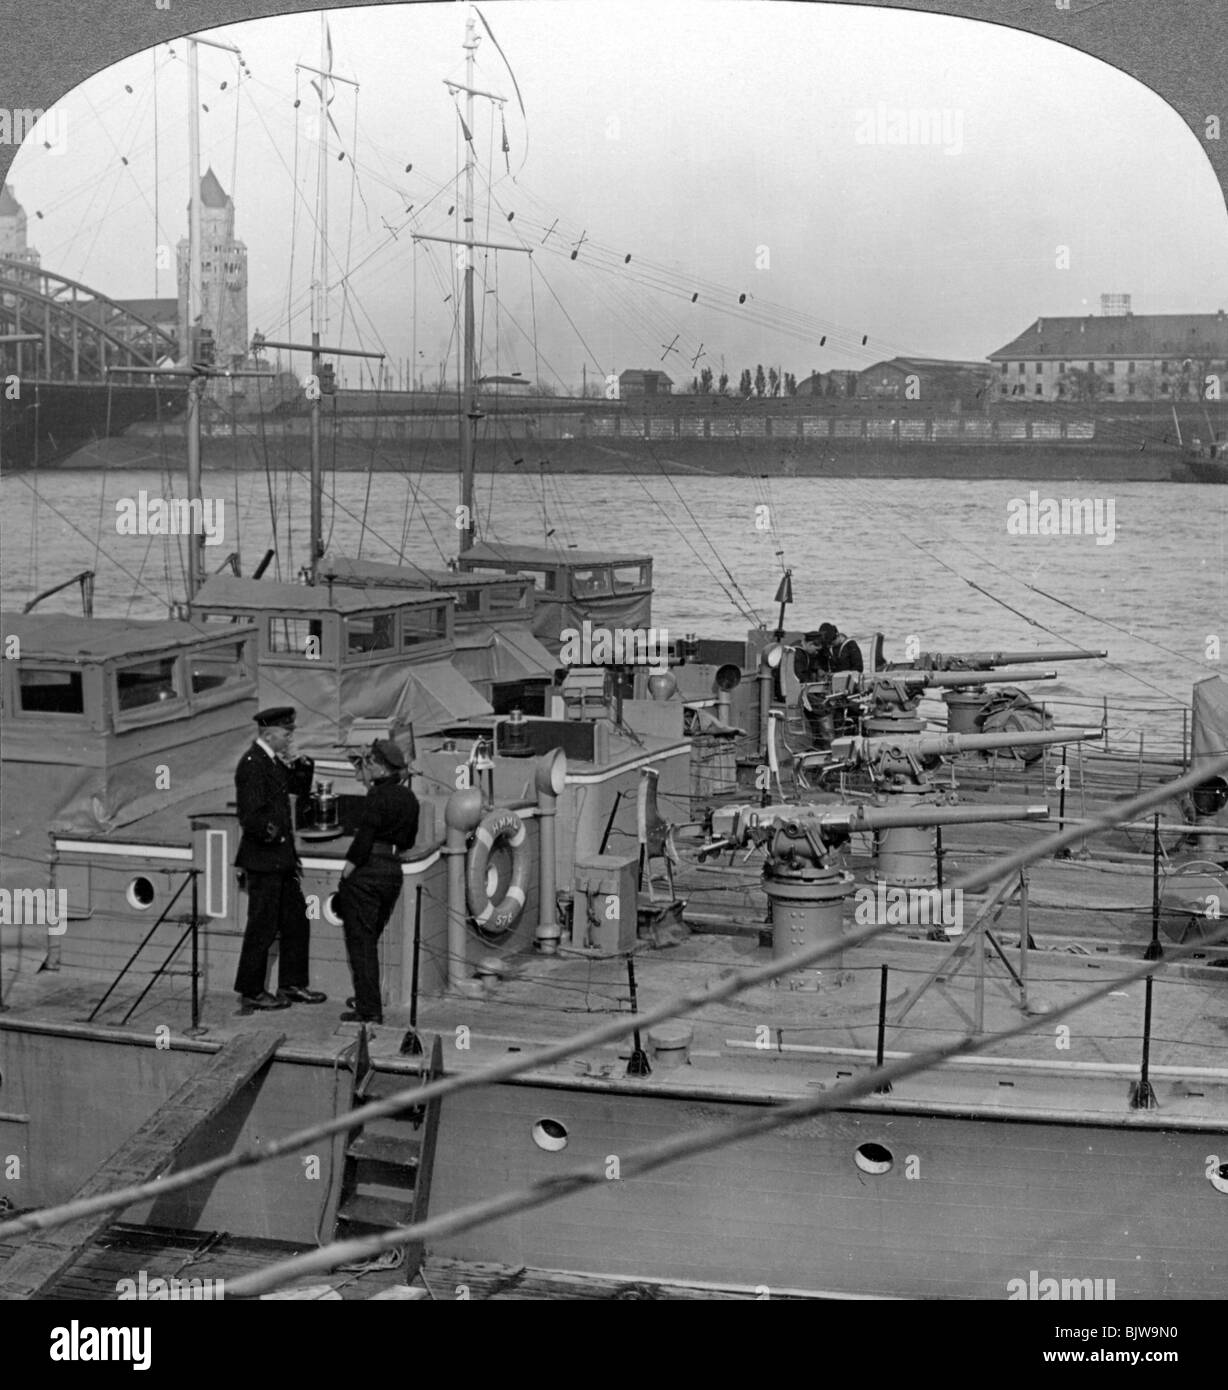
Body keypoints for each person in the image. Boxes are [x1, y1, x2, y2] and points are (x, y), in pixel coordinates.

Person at [233, 706, 328, 1012]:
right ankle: (251, 990)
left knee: (296, 920)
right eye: (286, 734)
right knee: (261, 926)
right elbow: (252, 816)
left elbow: (297, 787)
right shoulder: (252, 765)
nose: (289, 738)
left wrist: (301, 761)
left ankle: (292, 984)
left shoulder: (271, 761)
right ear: (269, 733)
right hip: (264, 859)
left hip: (281, 859)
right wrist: (278, 838)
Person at [336, 740, 420, 1025]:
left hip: (367, 873)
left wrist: (347, 871)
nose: (367, 767)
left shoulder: (376, 796)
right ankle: (367, 998)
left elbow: (364, 838)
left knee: (361, 944)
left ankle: (369, 1009)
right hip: (392, 874)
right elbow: (408, 841)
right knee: (369, 939)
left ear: (381, 767)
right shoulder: (409, 798)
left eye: (370, 762)